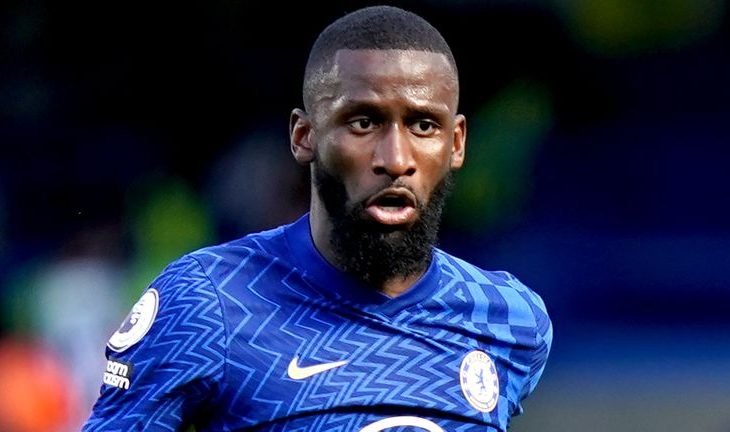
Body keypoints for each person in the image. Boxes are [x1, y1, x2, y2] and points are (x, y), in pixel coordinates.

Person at [83, 5, 552, 431]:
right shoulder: (208, 303)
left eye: (423, 125)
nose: (395, 159)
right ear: (304, 136)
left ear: (456, 143)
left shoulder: (510, 319)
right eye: (363, 123)